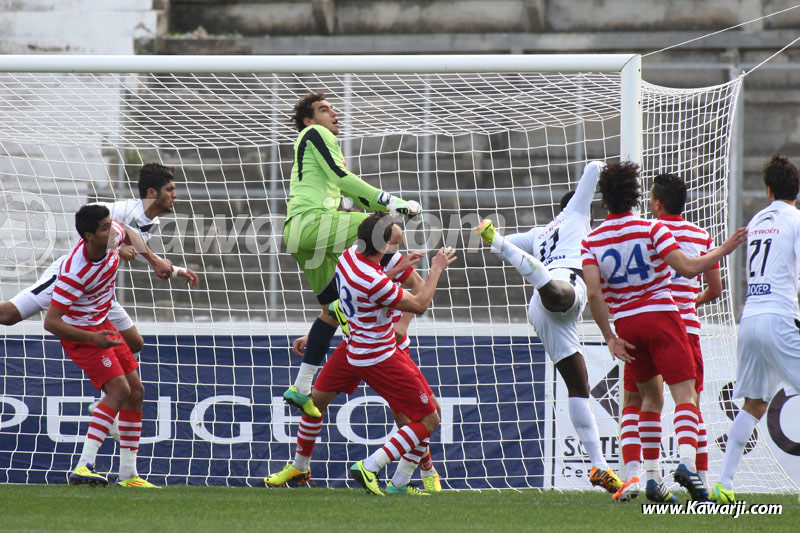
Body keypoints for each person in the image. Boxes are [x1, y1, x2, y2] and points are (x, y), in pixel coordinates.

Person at [580, 161, 745, 502]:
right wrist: (723, 250)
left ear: (605, 200)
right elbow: (686, 267)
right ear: (635, 197)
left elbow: (594, 293)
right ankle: (686, 464)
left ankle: (646, 477)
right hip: (661, 317)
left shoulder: (591, 241)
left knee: (644, 401)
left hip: (626, 325)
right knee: (685, 395)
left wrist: (610, 336)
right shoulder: (651, 229)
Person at [473, 161, 624, 496]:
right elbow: (591, 169)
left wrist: (496, 240)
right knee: (561, 294)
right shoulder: (578, 216)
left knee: (579, 385)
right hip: (562, 287)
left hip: (540, 309)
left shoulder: (540, 233)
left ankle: (599, 465)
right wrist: (611, 168)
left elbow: (503, 244)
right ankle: (535, 273)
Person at [282, 92, 421, 418]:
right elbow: (341, 178)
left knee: (333, 309)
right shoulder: (315, 134)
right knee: (392, 231)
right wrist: (393, 202)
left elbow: (341, 187)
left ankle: (301, 388)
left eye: (333, 108)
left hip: (302, 235)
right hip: (311, 223)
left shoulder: (315, 148)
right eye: (324, 109)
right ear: (308, 120)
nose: (334, 113)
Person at [265, 241, 443, 493]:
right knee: (313, 402)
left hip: (386, 348)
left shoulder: (393, 258)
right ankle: (300, 467)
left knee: (411, 417)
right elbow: (344, 302)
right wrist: (312, 336)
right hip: (352, 345)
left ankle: (414, 473)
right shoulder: (353, 258)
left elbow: (418, 292)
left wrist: (402, 324)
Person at [298, 212, 454, 495]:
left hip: (362, 348)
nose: (398, 248)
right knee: (428, 419)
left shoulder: (348, 258)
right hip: (380, 355)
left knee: (427, 412)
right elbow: (419, 304)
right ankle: (371, 466)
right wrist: (437, 268)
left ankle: (400, 483)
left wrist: (394, 272)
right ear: (382, 245)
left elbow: (360, 290)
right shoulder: (374, 281)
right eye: (395, 242)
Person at [0, 162, 199, 357]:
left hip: (98, 291)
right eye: (170, 189)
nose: (175, 195)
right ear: (152, 193)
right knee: (8, 316)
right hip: (69, 279)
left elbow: (137, 247)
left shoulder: (151, 221)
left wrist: (175, 270)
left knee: (134, 344)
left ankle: (109, 380)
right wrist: (115, 248)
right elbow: (89, 213)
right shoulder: (125, 210)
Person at [615, 173, 722, 502]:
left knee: (636, 402)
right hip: (684, 328)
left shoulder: (646, 233)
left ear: (657, 203)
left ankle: (637, 477)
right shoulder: (701, 235)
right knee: (690, 402)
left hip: (645, 322)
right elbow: (715, 290)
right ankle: (699, 477)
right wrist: (690, 301)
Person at [43, 204, 161, 488]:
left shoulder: (112, 235)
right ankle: (83, 466)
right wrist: (92, 338)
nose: (112, 230)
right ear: (89, 236)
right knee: (120, 390)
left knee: (136, 392)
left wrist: (154, 261)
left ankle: (128, 475)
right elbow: (51, 322)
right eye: (105, 227)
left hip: (103, 321)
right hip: (81, 332)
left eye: (111, 224)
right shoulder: (74, 273)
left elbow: (128, 232)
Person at [710, 154, 800, 504]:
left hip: (749, 319)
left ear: (767, 191)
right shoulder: (795, 219)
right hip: (779, 316)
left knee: (753, 405)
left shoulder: (757, 219)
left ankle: (724, 484)